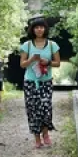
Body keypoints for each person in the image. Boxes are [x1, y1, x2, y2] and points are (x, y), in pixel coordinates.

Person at [20, 18, 60, 149]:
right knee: (32, 109)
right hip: (30, 82)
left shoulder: (52, 45)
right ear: (32, 29)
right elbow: (22, 64)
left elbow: (57, 63)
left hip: (46, 82)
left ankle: (46, 133)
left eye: (41, 27)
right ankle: (37, 138)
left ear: (45, 29)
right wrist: (32, 59)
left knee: (45, 107)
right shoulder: (27, 45)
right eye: (36, 27)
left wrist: (47, 62)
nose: (39, 29)